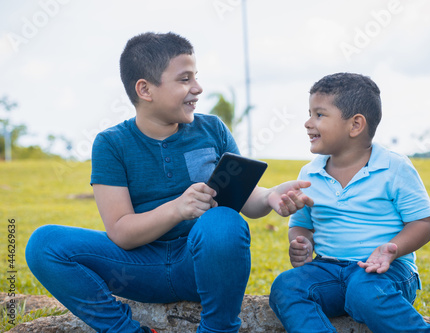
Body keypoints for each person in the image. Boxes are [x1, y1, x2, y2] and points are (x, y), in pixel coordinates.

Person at [25, 32, 313, 333]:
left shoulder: (212, 129)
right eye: (185, 79)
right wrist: (177, 208)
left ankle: (218, 329)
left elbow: (245, 200)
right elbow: (122, 232)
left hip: (199, 265)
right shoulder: (111, 144)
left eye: (196, 77)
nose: (198, 88)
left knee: (224, 220)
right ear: (145, 89)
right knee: (44, 244)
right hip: (137, 267)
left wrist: (269, 197)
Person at [269, 73, 430, 333]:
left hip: (386, 271)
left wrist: (393, 249)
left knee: (364, 291)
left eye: (319, 115)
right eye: (310, 113)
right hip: (328, 269)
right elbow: (301, 225)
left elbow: (424, 223)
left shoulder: (394, 167)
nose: (307, 122)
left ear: (355, 125)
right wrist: (302, 242)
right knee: (286, 287)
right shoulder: (309, 175)